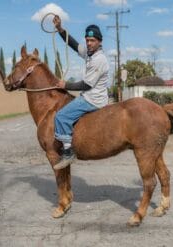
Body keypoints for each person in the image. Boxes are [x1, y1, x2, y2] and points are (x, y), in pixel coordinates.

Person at [52, 15, 109, 170]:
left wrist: (66, 85)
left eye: (92, 41)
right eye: (87, 40)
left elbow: (86, 85)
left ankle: (68, 152)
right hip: (90, 95)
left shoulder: (99, 59)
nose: (89, 43)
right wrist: (59, 29)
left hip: (93, 99)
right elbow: (73, 44)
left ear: (99, 42)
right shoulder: (90, 53)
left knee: (61, 116)